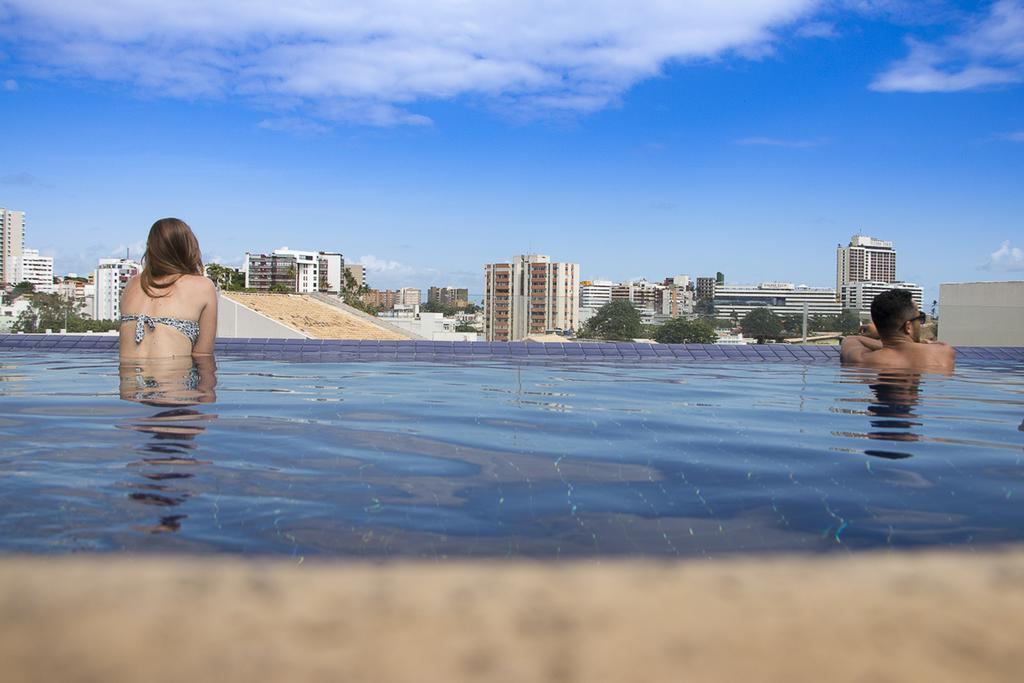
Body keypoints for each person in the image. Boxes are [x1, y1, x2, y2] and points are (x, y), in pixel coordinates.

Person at [119, 218, 217, 359]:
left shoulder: (132, 284)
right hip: (174, 379)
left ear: (151, 248)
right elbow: (203, 355)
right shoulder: (203, 286)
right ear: (188, 248)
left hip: (130, 380)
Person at [840, 289, 954, 372]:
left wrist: (881, 332)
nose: (921, 323)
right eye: (920, 318)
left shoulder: (862, 360)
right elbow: (910, 346)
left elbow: (849, 340)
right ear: (908, 327)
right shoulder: (943, 352)